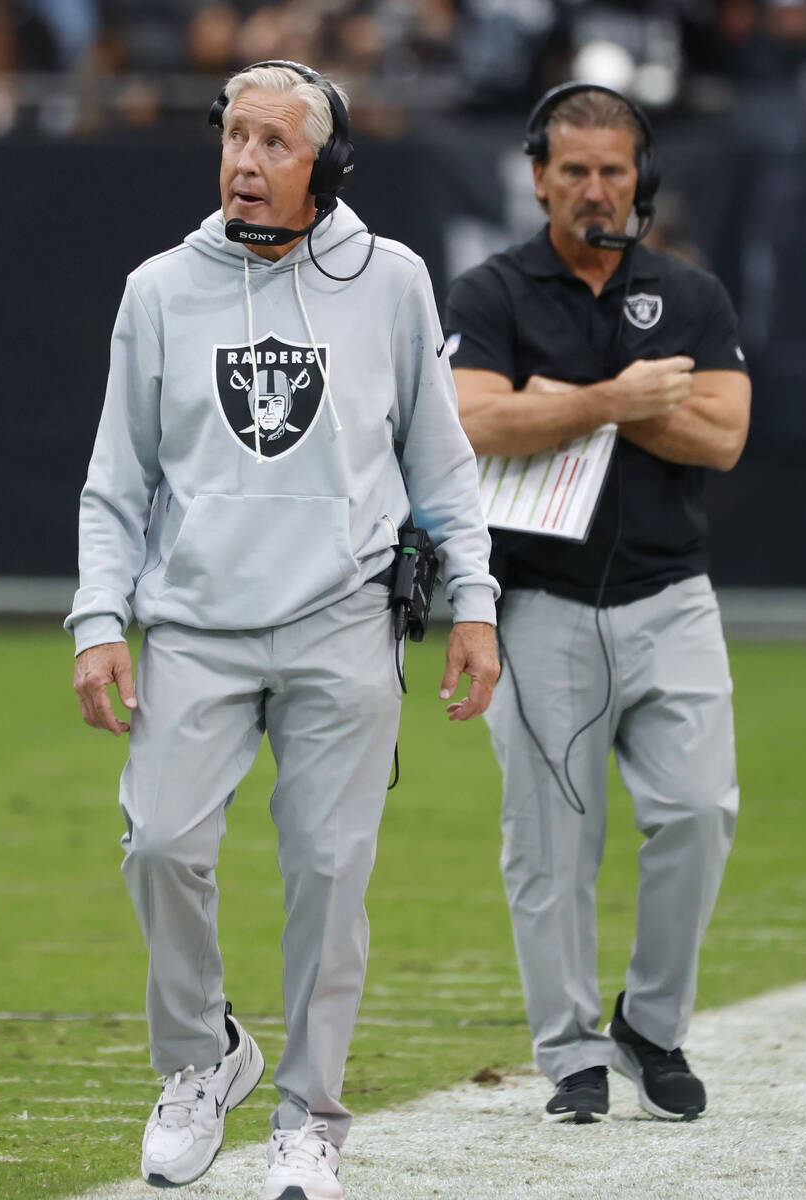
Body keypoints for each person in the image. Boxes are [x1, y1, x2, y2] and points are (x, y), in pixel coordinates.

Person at [66, 60, 499, 1200]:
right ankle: (202, 1060)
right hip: (196, 627)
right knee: (158, 845)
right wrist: (97, 618)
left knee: (326, 876)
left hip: (342, 624)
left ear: (326, 163)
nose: (246, 163)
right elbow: (116, 481)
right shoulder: (158, 288)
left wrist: (474, 604)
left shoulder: (391, 281)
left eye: (274, 143)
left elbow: (441, 467)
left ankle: (308, 1119)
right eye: (234, 138)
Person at [445, 83, 750, 1124]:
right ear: (537, 178)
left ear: (640, 181)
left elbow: (721, 433)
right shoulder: (489, 291)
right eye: (571, 171)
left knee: (699, 811)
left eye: (611, 172)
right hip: (537, 602)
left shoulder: (689, 293)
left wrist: (564, 407)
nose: (592, 191)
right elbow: (474, 419)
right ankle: (570, 1054)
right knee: (549, 843)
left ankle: (649, 1026)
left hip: (670, 592)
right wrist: (621, 398)